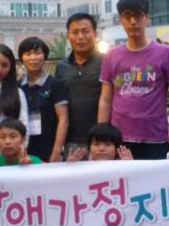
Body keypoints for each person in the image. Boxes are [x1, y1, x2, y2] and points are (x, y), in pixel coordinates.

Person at [98, 0, 169, 160]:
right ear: (121, 20)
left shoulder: (167, 53)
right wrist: (101, 138)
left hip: (155, 138)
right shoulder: (111, 56)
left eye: (138, 15)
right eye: (127, 16)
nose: (133, 21)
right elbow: (105, 100)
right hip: (119, 138)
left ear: (147, 18)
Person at [55, 13, 103, 159]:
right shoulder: (61, 66)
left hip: (100, 141)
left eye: (85, 31)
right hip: (71, 140)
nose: (80, 37)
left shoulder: (106, 62)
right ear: (68, 36)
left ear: (95, 34)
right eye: (75, 32)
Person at [18, 36, 69, 162]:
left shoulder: (55, 84)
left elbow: (63, 119)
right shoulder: (17, 86)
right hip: (23, 152)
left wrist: (57, 151)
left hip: (49, 150)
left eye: (37, 53)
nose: (33, 58)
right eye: (28, 54)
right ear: (21, 58)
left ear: (45, 56)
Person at [66, 123, 134, 162]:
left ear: (117, 149)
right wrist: (72, 168)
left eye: (108, 144)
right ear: (89, 148)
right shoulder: (82, 169)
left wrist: (130, 166)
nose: (101, 149)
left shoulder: (123, 166)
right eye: (96, 144)